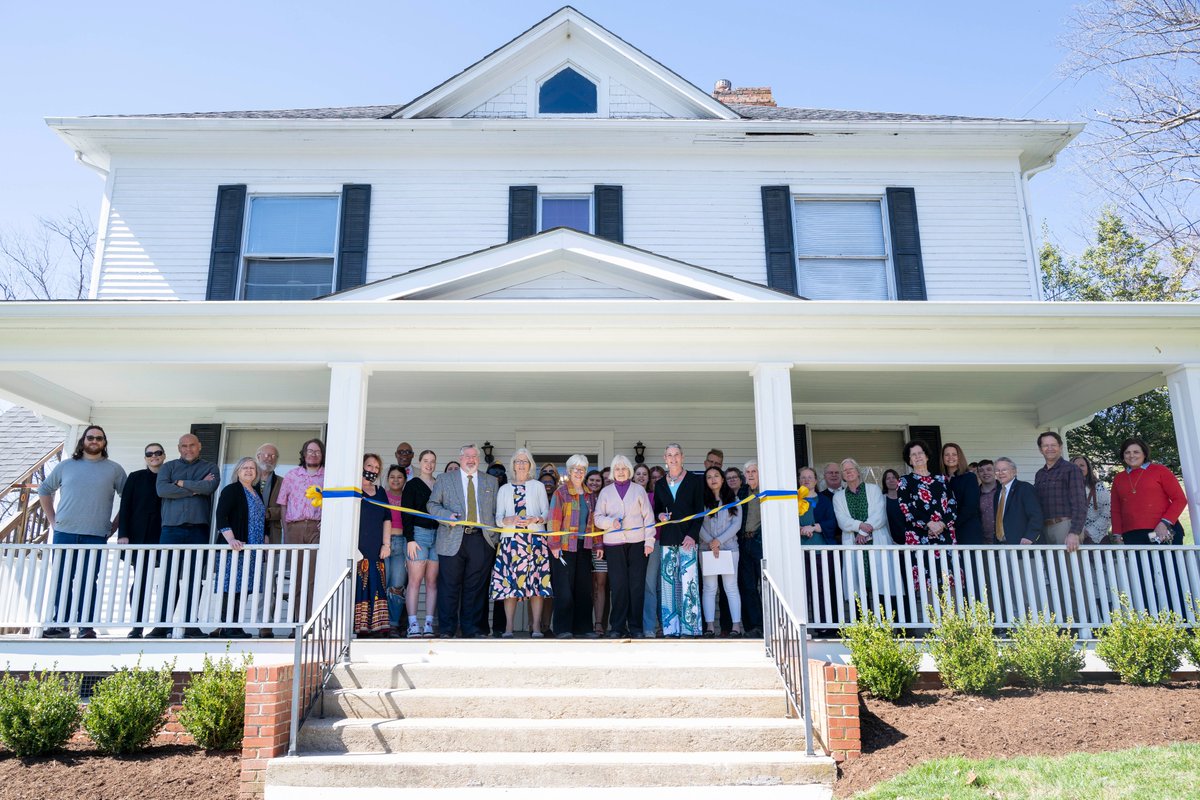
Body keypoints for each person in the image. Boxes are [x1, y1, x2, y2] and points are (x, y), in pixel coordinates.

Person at [37, 425, 126, 639]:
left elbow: (128, 500)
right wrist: (52, 520)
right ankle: (61, 624)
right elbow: (44, 490)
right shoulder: (66, 466)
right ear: (83, 441)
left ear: (104, 443)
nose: (94, 441)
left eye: (99, 438)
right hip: (64, 533)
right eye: (90, 437)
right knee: (62, 579)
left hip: (95, 535)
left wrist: (113, 526)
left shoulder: (114, 469)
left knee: (88, 581)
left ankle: (86, 626)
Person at [147, 433, 218, 639]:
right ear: (179, 448)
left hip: (198, 529)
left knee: (194, 578)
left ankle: (190, 625)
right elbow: (162, 490)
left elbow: (209, 486)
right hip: (171, 529)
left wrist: (178, 484)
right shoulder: (168, 467)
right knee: (168, 577)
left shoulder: (210, 468)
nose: (188, 449)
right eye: (184, 446)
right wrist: (194, 488)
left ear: (200, 446)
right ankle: (162, 624)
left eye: (192, 445)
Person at [428, 443, 499, 638]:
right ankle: (447, 630)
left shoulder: (490, 481)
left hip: (481, 539)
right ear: (460, 459)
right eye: (467, 456)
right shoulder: (445, 479)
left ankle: (472, 630)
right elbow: (432, 505)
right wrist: (446, 516)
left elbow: (495, 511)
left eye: (474, 456)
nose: (471, 459)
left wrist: (493, 538)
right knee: (449, 586)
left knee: (475, 588)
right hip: (452, 538)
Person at [490, 448, 551, 638]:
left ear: (530, 465)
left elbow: (546, 514)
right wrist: (508, 520)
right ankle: (509, 628)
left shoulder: (538, 486)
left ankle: (536, 628)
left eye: (525, 461)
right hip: (511, 542)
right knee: (510, 586)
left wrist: (535, 519)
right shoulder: (504, 489)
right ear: (513, 465)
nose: (521, 464)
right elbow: (498, 518)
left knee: (537, 585)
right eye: (518, 461)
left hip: (535, 541)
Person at [594, 455, 655, 638]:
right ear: (613, 472)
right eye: (617, 469)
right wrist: (611, 522)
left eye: (624, 468)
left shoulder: (638, 490)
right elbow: (597, 518)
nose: (620, 471)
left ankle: (635, 627)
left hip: (637, 544)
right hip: (613, 544)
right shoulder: (606, 492)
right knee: (619, 586)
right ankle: (617, 627)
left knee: (636, 586)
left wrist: (649, 542)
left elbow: (649, 518)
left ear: (629, 471)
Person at [213, 456, 266, 639]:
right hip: (235, 549)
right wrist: (231, 539)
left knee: (244, 588)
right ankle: (227, 625)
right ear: (237, 471)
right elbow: (222, 516)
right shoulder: (232, 490)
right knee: (231, 587)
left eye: (252, 468)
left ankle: (235, 625)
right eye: (245, 468)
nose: (249, 471)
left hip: (252, 551)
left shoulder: (256, 492)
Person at [654, 444, 704, 638]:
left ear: (682, 457)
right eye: (669, 455)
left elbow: (700, 512)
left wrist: (692, 535)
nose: (673, 458)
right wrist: (660, 516)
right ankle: (670, 628)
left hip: (688, 540)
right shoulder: (659, 484)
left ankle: (690, 629)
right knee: (668, 583)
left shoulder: (694, 481)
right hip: (667, 539)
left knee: (688, 583)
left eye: (676, 455)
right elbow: (657, 508)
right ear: (664, 458)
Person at [548, 455, 601, 638]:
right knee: (564, 589)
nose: (579, 472)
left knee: (583, 588)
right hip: (563, 547)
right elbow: (554, 519)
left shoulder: (589, 495)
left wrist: (598, 543)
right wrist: (554, 544)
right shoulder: (560, 493)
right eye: (575, 469)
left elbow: (594, 523)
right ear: (569, 472)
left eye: (582, 469)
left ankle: (584, 628)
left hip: (584, 547)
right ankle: (563, 629)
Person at [832, 458, 896, 609]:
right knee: (858, 585)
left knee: (882, 583)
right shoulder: (838, 497)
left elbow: (879, 515)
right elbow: (842, 520)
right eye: (845, 471)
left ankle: (887, 624)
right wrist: (859, 527)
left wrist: (863, 531)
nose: (848, 472)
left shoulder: (873, 489)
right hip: (854, 543)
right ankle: (864, 627)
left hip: (877, 541)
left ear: (858, 471)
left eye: (851, 469)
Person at [275, 438, 325, 622]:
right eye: (310, 451)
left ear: (322, 455)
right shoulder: (291, 475)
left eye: (317, 451)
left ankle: (310, 623)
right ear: (304, 454)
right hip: (294, 528)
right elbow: (282, 504)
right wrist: (286, 531)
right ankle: (297, 623)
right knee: (297, 578)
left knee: (312, 578)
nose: (313, 454)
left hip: (316, 529)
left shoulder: (328, 475)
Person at [118, 442, 164, 638]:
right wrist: (123, 534)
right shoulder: (135, 477)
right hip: (140, 535)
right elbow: (125, 506)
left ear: (163, 455)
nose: (154, 456)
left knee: (167, 582)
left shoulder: (170, 477)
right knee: (141, 581)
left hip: (165, 536)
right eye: (149, 454)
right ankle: (137, 626)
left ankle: (163, 625)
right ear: (145, 458)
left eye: (157, 453)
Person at [699, 467, 743, 637]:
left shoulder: (734, 499)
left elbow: (736, 525)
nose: (713, 479)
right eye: (709, 477)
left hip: (729, 549)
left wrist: (718, 541)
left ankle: (736, 626)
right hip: (707, 549)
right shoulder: (701, 500)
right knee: (709, 588)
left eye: (716, 476)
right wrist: (711, 542)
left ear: (723, 479)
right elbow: (698, 525)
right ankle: (710, 627)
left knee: (731, 587)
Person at [402, 449, 439, 638]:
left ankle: (429, 624)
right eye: (426, 460)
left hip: (438, 537)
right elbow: (405, 513)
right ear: (419, 462)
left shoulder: (439, 484)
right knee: (415, 581)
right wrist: (410, 539)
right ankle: (413, 624)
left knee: (432, 582)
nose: (429, 464)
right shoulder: (412, 485)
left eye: (432, 461)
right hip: (418, 535)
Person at [355, 454, 392, 637]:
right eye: (369, 466)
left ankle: (377, 627)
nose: (372, 470)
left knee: (376, 583)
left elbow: (387, 518)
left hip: (376, 546)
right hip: (358, 546)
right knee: (360, 584)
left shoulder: (380, 491)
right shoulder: (352, 490)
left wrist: (386, 544)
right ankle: (360, 627)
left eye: (376, 467)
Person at [1033, 432, 1085, 554]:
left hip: (1065, 526)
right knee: (1055, 571)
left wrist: (1074, 532)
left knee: (1071, 570)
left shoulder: (1071, 469)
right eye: (1045, 445)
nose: (1049, 448)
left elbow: (1080, 503)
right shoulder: (1040, 474)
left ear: (1060, 447)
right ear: (1041, 450)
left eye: (1053, 445)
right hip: (1045, 528)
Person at [896, 440, 956, 546]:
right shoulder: (904, 481)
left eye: (920, 453)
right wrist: (929, 523)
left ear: (927, 456)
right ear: (909, 461)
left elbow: (952, 503)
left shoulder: (941, 479)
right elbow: (905, 506)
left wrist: (942, 524)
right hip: (918, 535)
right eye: (913, 455)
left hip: (944, 533)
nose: (917, 456)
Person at [633, 462, 661, 636]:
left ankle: (650, 626)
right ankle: (641, 624)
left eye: (645, 474)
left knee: (651, 585)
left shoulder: (653, 496)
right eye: (638, 474)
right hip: (634, 543)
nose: (642, 477)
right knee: (639, 585)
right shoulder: (629, 496)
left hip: (654, 542)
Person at [737, 460, 764, 637]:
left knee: (766, 585)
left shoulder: (767, 492)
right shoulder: (741, 492)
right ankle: (752, 626)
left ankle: (768, 624)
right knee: (748, 586)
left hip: (761, 542)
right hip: (744, 543)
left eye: (754, 471)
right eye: (748, 472)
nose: (751, 475)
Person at [992, 458, 1043, 544]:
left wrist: (1030, 537)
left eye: (1004, 470)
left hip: (1023, 545)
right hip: (1002, 545)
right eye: (997, 470)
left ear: (1014, 471)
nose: (1000, 473)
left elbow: (1036, 515)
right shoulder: (997, 493)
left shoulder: (1024, 488)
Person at [383, 465, 408, 636]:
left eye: (399, 477)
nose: (396, 480)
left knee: (397, 586)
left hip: (403, 542)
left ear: (404, 480)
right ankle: (380, 623)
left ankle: (393, 624)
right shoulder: (381, 495)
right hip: (384, 543)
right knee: (382, 583)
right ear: (387, 478)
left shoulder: (407, 497)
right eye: (392, 476)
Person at [942, 443, 983, 544]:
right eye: (947, 455)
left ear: (959, 457)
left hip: (967, 529)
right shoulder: (940, 479)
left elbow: (970, 506)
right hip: (945, 532)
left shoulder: (969, 477)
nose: (950, 457)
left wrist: (950, 524)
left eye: (954, 454)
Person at [1073, 455, 1113, 544]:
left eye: (1082, 465)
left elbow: (1108, 511)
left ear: (1088, 468)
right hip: (1075, 537)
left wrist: (1090, 531)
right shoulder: (1067, 489)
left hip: (1098, 537)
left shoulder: (1099, 487)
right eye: (1075, 466)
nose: (1079, 468)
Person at [254, 444, 284, 543]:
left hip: (272, 532)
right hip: (248, 528)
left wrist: (268, 513)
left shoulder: (282, 482)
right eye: (267, 455)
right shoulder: (247, 479)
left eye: (273, 456)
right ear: (258, 457)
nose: (270, 458)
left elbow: (288, 509)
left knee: (270, 558)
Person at [881, 469, 906, 545]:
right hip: (890, 543)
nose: (891, 480)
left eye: (894, 477)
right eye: (888, 478)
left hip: (910, 542)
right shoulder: (881, 500)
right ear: (884, 482)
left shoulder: (906, 498)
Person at [976, 460, 998, 544]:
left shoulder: (1004, 490)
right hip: (983, 543)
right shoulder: (975, 495)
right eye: (981, 471)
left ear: (995, 471)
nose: (985, 473)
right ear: (978, 474)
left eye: (989, 469)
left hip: (1005, 541)